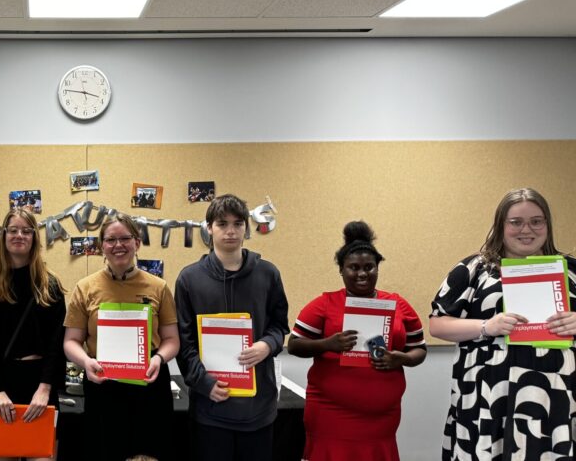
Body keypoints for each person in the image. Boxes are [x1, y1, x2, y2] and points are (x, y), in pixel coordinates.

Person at [430, 188, 576, 460]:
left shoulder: (571, 270)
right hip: (487, 401)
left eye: (536, 220)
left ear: (547, 224)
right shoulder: (472, 270)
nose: (527, 229)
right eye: (516, 222)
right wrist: (486, 326)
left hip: (558, 402)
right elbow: (437, 326)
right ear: (501, 225)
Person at [287, 221, 427, 460]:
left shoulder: (397, 304)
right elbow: (294, 345)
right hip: (331, 415)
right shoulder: (324, 304)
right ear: (341, 270)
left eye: (369, 267)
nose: (362, 273)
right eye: (353, 267)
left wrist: (402, 358)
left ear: (377, 268)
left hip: (382, 419)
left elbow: (419, 350)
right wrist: (327, 344)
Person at [174, 194, 289, 461]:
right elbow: (184, 341)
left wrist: (267, 345)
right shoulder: (189, 278)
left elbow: (279, 325)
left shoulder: (268, 273)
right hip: (209, 408)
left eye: (238, 224)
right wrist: (203, 382)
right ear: (209, 228)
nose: (230, 231)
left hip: (258, 410)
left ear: (246, 229)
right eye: (222, 223)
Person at [63, 213, 180, 460]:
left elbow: (172, 340)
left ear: (137, 243)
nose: (118, 245)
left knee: (150, 452)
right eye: (110, 240)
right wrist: (86, 362)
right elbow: (70, 342)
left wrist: (158, 359)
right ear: (101, 246)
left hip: (149, 379)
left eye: (125, 238)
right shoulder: (85, 287)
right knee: (106, 449)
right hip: (103, 382)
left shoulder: (158, 286)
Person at [0, 209, 66, 460]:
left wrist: (45, 389)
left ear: (34, 237)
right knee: (4, 455)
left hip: (39, 386)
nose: (19, 235)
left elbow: (57, 344)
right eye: (13, 230)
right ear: (3, 236)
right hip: (1, 386)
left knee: (42, 456)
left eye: (26, 230)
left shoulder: (50, 285)